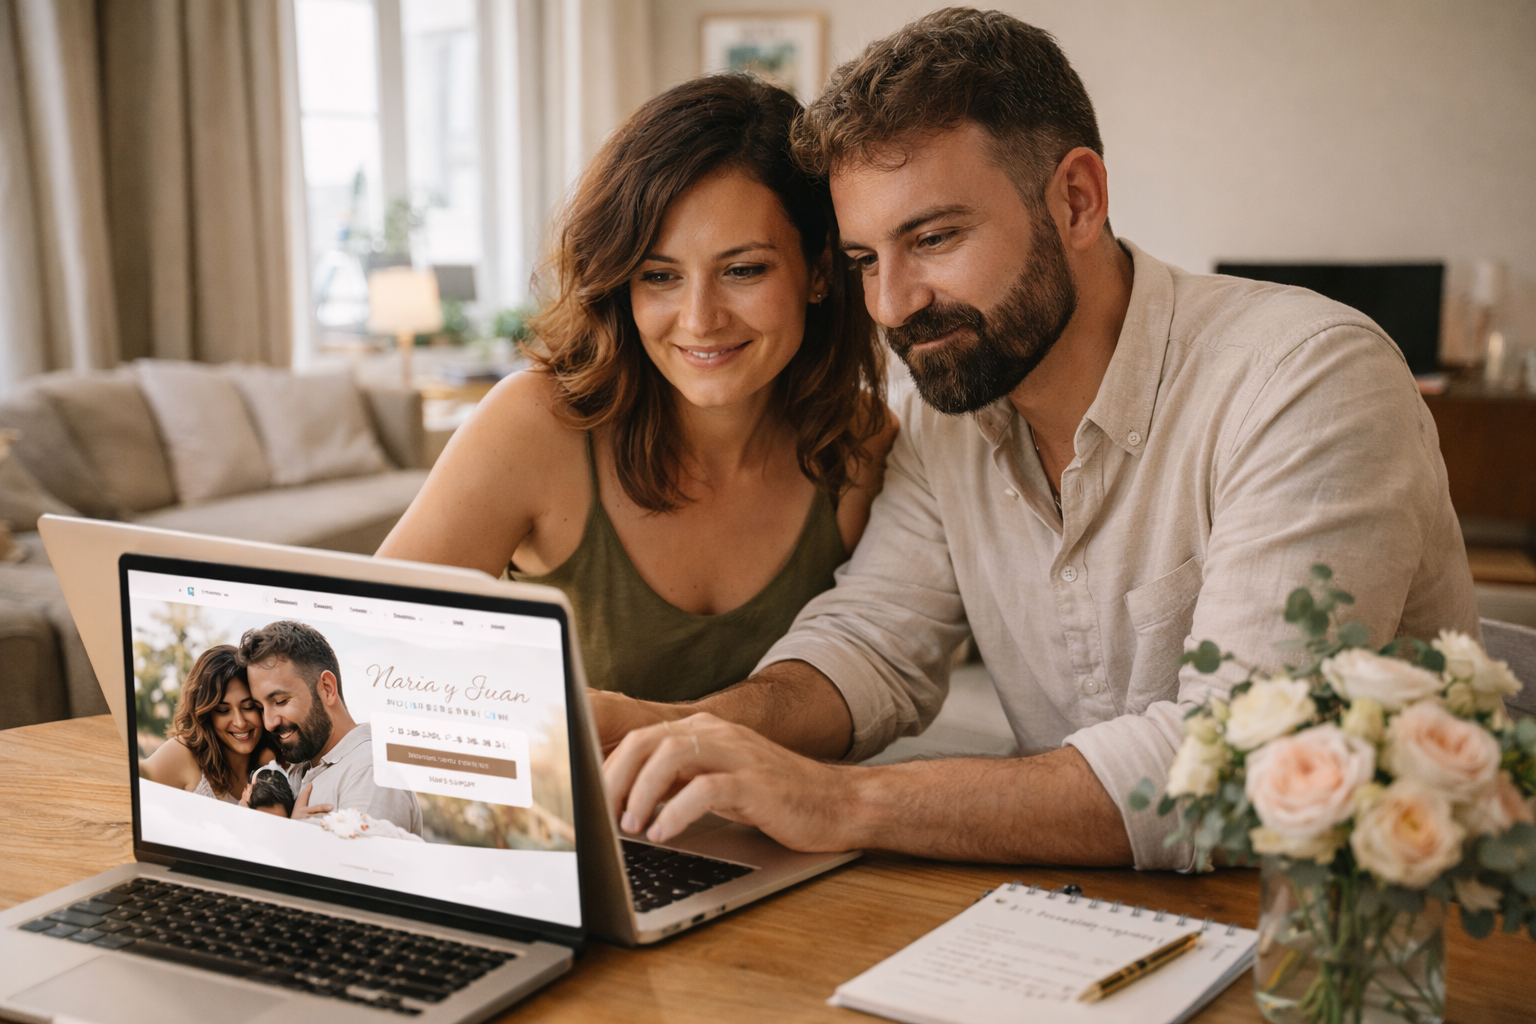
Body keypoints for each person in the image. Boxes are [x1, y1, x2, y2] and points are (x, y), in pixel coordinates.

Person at [599, 8, 1480, 870]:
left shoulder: (1307, 378)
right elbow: (870, 644)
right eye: (867, 259)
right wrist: (674, 734)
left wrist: (836, 801)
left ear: (1078, 200)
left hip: (1358, 941)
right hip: (1089, 924)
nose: (892, 305)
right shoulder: (948, 411)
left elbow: (1243, 770)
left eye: (934, 237)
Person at [377, 75, 893, 728]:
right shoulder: (535, 425)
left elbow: (872, 677)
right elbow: (365, 650)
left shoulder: (862, 443)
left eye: (743, 270)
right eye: (659, 276)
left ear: (818, 270)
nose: (700, 320)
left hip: (768, 828)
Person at [240, 620, 423, 836]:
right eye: (261, 707)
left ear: (327, 688)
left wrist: (292, 834)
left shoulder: (368, 774)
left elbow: (360, 868)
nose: (269, 722)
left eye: (280, 701)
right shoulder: (303, 767)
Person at [140, 645, 277, 802]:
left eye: (248, 707)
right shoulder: (183, 753)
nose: (239, 722)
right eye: (223, 710)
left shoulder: (274, 763)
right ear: (205, 714)